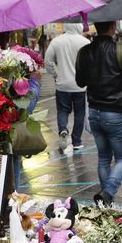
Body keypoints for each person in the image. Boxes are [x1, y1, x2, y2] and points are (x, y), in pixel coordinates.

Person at [74, 20, 122, 207]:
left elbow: (80, 82)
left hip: (94, 113)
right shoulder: (121, 50)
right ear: (112, 26)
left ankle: (106, 203)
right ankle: (108, 192)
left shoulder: (84, 52)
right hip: (115, 113)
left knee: (104, 158)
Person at [45, 23, 90, 151]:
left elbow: (48, 61)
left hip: (62, 84)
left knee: (63, 111)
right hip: (80, 86)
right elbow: (90, 63)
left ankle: (63, 130)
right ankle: (77, 141)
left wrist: (56, 74)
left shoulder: (56, 41)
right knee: (79, 113)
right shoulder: (85, 42)